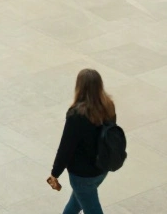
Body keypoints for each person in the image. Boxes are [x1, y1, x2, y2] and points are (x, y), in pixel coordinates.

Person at [48, 68, 117, 214]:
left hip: (82, 174)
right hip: (102, 168)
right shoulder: (108, 106)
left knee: (90, 207)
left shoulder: (76, 115)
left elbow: (66, 148)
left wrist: (55, 173)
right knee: (77, 202)